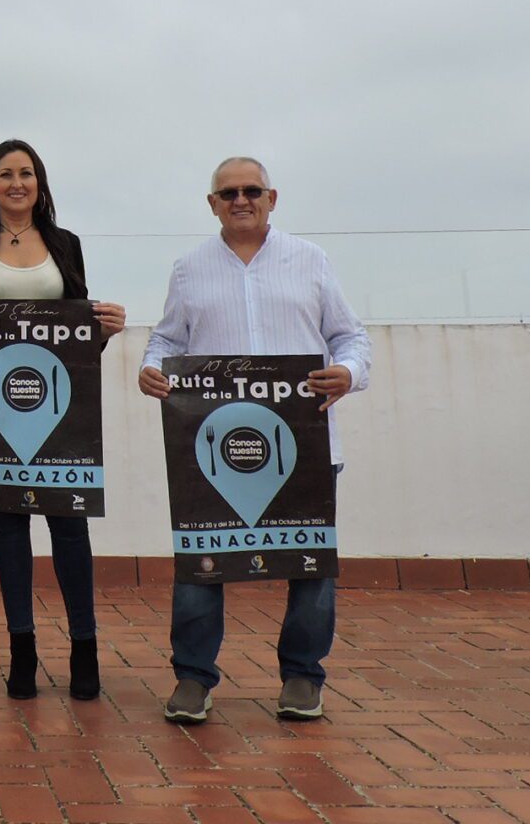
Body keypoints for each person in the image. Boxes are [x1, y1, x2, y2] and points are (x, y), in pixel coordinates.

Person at [136, 156, 370, 725]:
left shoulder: (310, 260)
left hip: (306, 443)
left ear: (272, 197)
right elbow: (166, 338)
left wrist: (348, 372)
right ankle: (193, 679)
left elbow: (350, 337)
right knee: (201, 563)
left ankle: (302, 677)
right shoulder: (189, 269)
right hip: (213, 448)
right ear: (211, 204)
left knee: (310, 567)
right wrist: (152, 368)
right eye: (228, 192)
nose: (241, 199)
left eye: (251, 190)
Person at [0, 139, 126, 701]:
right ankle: (23, 651)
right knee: (9, 528)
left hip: (61, 409)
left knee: (71, 528)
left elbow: (78, 335)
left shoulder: (66, 244)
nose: (15, 183)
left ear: (39, 183)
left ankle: (84, 650)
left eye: (25, 173)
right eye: (4, 174)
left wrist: (105, 328)